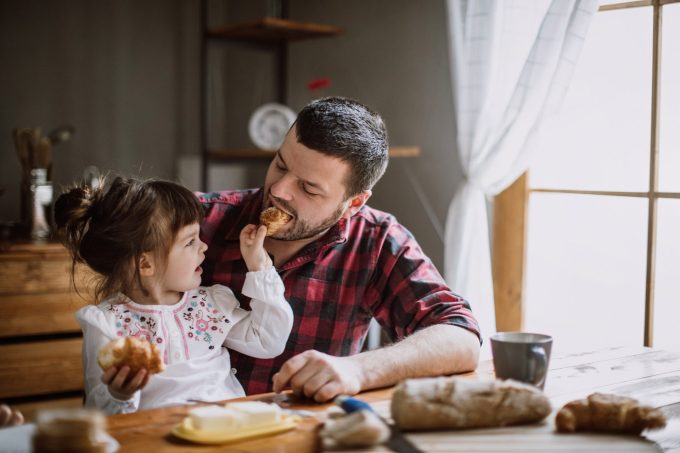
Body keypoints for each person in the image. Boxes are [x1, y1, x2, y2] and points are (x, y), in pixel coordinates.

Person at [198, 97, 481, 402]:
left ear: (354, 203)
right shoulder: (196, 219)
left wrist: (359, 370)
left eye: (308, 188)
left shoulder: (376, 240)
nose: (278, 190)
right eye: (280, 165)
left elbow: (461, 337)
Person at [54, 177, 293, 414]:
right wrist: (119, 395)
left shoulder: (210, 304)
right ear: (145, 264)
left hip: (227, 428)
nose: (204, 247)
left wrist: (259, 267)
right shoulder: (106, 324)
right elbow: (99, 409)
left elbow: (268, 341)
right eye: (190, 242)